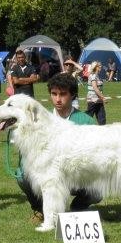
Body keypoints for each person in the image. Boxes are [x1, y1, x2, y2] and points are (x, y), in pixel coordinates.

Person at [16, 72, 98, 223]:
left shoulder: (86, 121)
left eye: (63, 94)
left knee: (98, 187)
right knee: (22, 176)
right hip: (48, 175)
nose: (58, 99)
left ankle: (79, 207)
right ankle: (40, 209)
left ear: (73, 95)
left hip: (78, 176)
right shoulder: (38, 120)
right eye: (54, 94)